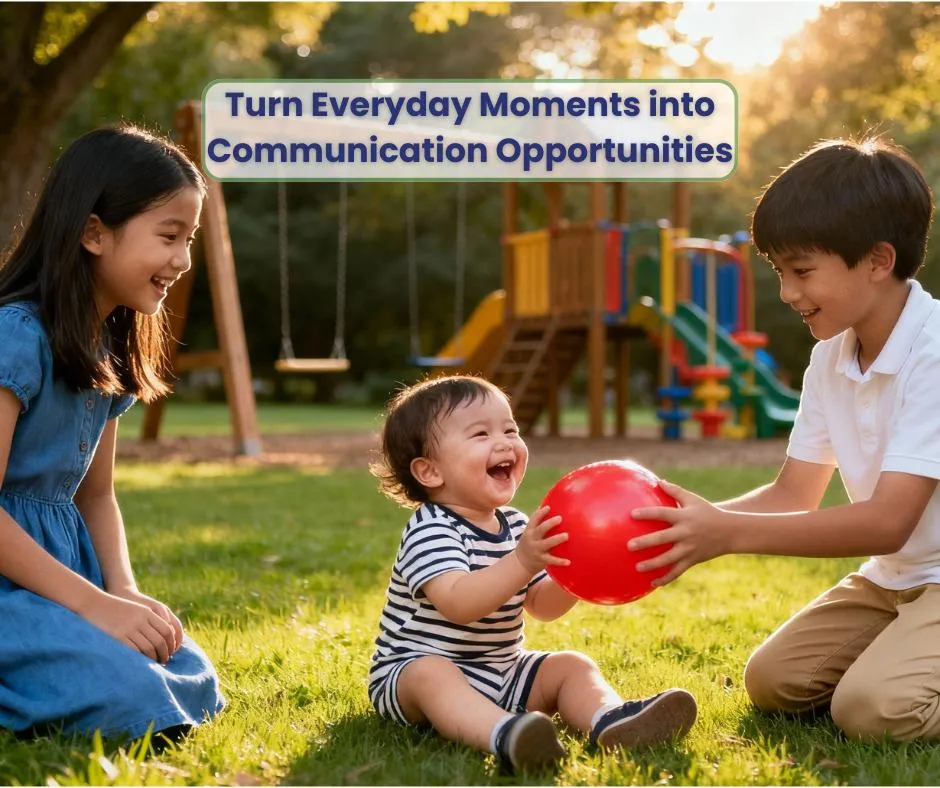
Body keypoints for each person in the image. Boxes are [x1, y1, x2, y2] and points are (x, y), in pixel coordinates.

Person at [629, 137, 939, 741]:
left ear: (878, 260)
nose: (787, 293)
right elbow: (794, 491)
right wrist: (688, 525)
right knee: (775, 680)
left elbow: (886, 523)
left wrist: (728, 535)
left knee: (874, 711)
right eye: (779, 271)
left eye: (801, 272)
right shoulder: (829, 360)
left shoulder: (935, 353)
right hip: (896, 578)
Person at [0, 125, 225, 742]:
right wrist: (93, 606)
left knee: (188, 672)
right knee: (129, 696)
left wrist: (122, 590)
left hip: (62, 581)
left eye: (189, 240)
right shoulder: (16, 338)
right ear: (94, 232)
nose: (181, 260)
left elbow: (95, 496)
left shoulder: (108, 350)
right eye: (169, 237)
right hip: (11, 583)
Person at [368, 375, 697, 772]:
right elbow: (458, 604)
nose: (505, 442)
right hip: (409, 677)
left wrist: (581, 570)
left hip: (503, 670)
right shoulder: (431, 528)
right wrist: (523, 560)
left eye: (511, 429)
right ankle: (506, 734)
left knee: (570, 665)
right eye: (480, 434)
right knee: (431, 674)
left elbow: (542, 605)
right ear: (430, 471)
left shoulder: (516, 525)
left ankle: (610, 719)